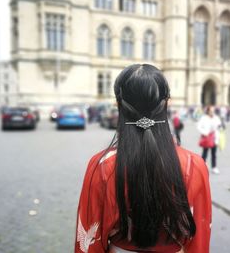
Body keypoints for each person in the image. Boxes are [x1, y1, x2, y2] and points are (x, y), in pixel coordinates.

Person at [75, 64, 211, 253]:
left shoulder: (102, 166)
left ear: (118, 105)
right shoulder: (194, 165)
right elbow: (200, 234)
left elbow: (89, 238)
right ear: (167, 104)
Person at [197, 106, 222, 174]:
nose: (212, 112)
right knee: (205, 153)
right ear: (208, 111)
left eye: (213, 111)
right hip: (207, 137)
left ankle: (214, 167)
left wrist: (220, 127)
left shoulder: (216, 118)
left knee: (214, 153)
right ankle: (201, 166)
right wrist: (204, 133)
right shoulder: (204, 118)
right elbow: (198, 126)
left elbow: (219, 125)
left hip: (214, 137)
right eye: (211, 111)